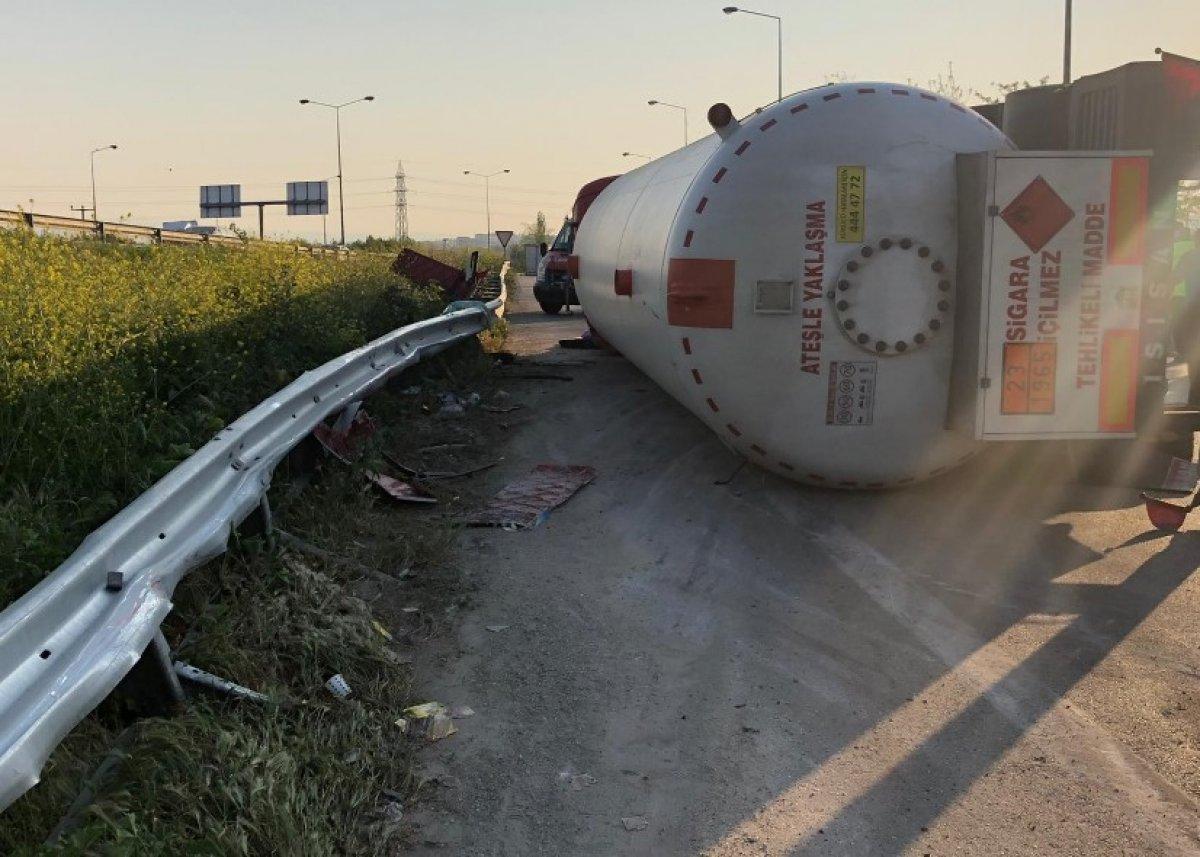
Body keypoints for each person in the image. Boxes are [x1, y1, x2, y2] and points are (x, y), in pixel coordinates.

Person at [1171, 228, 1200, 405]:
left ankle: (1196, 397)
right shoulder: (1189, 257)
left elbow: (1174, 279)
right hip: (1193, 310)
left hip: (1193, 310)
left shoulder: (1190, 257)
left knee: (1192, 353)